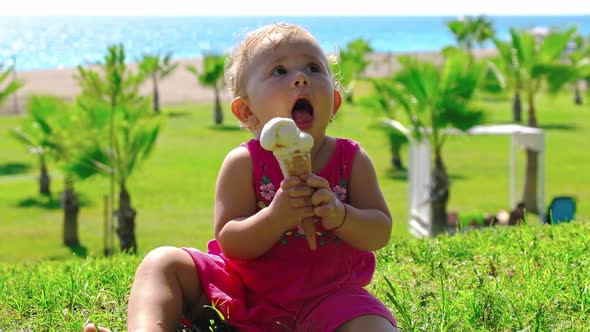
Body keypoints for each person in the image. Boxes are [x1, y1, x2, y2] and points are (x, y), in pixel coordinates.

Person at [85, 22, 398, 332]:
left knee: (371, 320)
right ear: (247, 113)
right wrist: (277, 217)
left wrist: (341, 215)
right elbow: (231, 240)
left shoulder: (351, 160)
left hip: (330, 298)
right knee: (162, 263)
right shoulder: (245, 162)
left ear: (335, 103)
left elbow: (379, 231)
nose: (301, 78)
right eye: (279, 71)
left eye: (314, 68)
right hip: (242, 293)